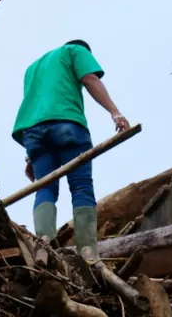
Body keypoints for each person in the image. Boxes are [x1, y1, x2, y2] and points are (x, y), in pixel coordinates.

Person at [12, 40, 129, 259]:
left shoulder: (33, 68)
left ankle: (43, 242)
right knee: (81, 186)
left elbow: (37, 107)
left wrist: (31, 157)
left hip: (33, 133)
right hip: (67, 125)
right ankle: (87, 249)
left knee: (45, 187)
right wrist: (115, 112)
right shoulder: (75, 50)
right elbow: (90, 79)